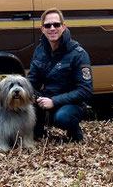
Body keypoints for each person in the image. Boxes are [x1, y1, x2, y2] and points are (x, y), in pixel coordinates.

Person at [27, 8, 93, 142]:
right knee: (22, 102)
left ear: (63, 27)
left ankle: (73, 130)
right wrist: (33, 96)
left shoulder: (78, 54)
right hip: (46, 99)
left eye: (56, 25)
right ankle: (37, 131)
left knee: (62, 118)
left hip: (71, 103)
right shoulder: (39, 51)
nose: (52, 28)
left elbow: (85, 91)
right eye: (48, 25)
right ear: (42, 29)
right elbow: (32, 82)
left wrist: (54, 101)